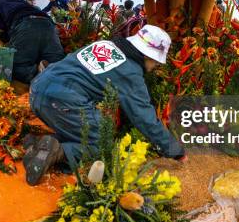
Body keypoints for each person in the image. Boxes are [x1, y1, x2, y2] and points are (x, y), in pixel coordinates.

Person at [25, 25, 186, 186]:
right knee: (103, 142)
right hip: (61, 102)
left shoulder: (106, 45)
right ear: (148, 55)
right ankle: (60, 151)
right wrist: (175, 151)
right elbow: (144, 117)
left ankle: (40, 145)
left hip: (37, 91)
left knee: (85, 125)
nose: (154, 67)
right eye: (156, 63)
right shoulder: (130, 71)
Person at [0, 0, 65, 84]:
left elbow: (0, 32)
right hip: (47, 24)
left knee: (17, 66)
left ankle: (39, 75)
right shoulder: (19, 0)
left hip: (25, 25)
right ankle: (59, 77)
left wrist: (8, 46)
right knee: (57, 62)